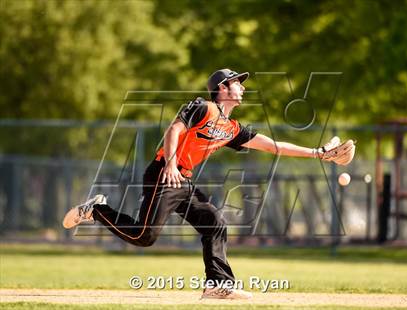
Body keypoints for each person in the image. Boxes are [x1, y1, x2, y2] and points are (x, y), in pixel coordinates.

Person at [63, 68, 349, 299]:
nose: (243, 88)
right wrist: (172, 162)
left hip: (183, 179)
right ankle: (96, 210)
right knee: (144, 237)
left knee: (214, 220)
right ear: (223, 87)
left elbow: (274, 146)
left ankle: (218, 285)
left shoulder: (232, 128)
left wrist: (318, 153)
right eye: (238, 83)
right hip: (164, 173)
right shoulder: (204, 108)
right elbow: (174, 129)